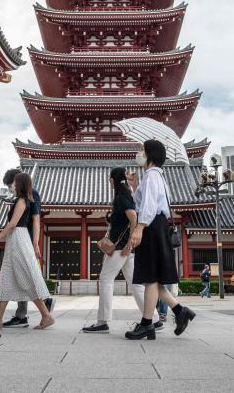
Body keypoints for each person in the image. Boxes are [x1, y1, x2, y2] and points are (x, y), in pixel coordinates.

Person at [125, 139, 195, 340]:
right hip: (157, 226)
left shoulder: (152, 175)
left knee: (150, 278)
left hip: (152, 226)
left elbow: (147, 206)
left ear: (150, 154)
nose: (139, 153)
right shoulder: (155, 176)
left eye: (142, 150)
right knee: (155, 280)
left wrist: (139, 228)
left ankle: (147, 323)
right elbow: (142, 199)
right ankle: (181, 311)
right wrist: (134, 184)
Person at [0, 173, 55, 330]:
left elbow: (12, 224)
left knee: (27, 278)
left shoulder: (22, 201)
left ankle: (46, 315)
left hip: (19, 239)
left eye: (14, 184)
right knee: (7, 277)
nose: (12, 186)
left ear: (20, 184)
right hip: (15, 239)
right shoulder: (22, 200)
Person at [82, 167, 147, 333]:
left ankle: (102, 321)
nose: (109, 181)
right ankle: (151, 318)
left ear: (114, 180)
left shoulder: (120, 198)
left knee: (105, 279)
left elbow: (134, 217)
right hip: (125, 248)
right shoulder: (126, 195)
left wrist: (128, 244)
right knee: (135, 284)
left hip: (121, 248)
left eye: (110, 178)